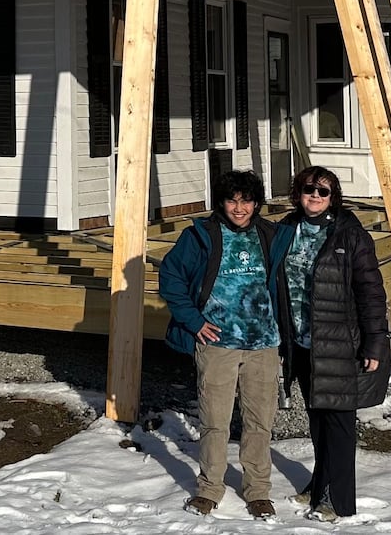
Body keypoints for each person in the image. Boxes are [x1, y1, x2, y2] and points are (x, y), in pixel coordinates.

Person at [159, 169, 294, 521]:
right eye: (232, 200)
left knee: (259, 423)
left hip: (264, 343)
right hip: (218, 343)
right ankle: (209, 489)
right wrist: (194, 321)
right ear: (222, 202)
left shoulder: (271, 235)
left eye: (246, 200)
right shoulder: (200, 236)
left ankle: (258, 491)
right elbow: (170, 277)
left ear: (256, 204)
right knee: (215, 422)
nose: (239, 208)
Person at [279, 166, 390, 522]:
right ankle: (319, 483)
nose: (314, 196)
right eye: (308, 189)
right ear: (298, 193)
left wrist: (374, 342)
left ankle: (337, 500)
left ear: (333, 197)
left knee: (339, 422)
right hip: (302, 342)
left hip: (340, 343)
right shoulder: (285, 229)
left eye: (322, 191)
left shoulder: (350, 235)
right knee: (317, 420)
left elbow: (371, 293)